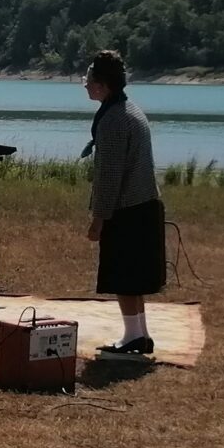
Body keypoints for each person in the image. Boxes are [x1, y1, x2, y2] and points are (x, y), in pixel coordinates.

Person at [85, 49, 165, 355]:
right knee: (133, 277)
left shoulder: (115, 119)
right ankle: (139, 333)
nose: (85, 85)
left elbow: (109, 175)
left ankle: (132, 336)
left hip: (128, 209)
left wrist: (98, 218)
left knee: (124, 276)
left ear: (102, 85)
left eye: (88, 79)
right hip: (143, 204)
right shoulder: (129, 109)